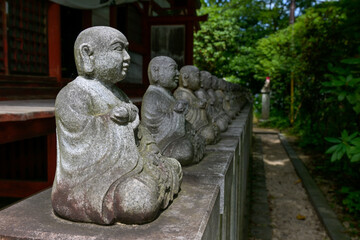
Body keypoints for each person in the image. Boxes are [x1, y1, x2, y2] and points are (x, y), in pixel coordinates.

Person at [51, 26, 181, 225]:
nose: (127, 57)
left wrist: (153, 152)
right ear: (88, 55)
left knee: (173, 165)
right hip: (90, 183)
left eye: (126, 49)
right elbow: (81, 146)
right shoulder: (72, 94)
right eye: (118, 49)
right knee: (139, 200)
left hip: (130, 167)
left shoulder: (118, 93)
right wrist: (113, 120)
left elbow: (140, 133)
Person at [141, 56, 205, 165]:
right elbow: (153, 124)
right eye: (173, 69)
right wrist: (177, 113)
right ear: (156, 72)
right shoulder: (152, 95)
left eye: (177, 69)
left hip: (176, 137)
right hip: (162, 142)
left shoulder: (167, 94)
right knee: (185, 151)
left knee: (199, 139)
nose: (177, 73)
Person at [174, 65, 217, 144]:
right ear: (185, 78)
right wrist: (198, 107)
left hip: (201, 125)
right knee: (209, 134)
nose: (200, 80)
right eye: (197, 76)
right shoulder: (181, 94)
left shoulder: (192, 93)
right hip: (194, 128)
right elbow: (184, 116)